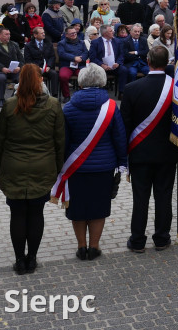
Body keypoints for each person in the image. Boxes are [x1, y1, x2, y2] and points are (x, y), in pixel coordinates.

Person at [0, 64, 64, 274]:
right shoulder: (53, 105)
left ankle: (19, 260)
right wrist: (56, 170)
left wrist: (1, 170)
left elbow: (0, 143)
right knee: (36, 213)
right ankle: (31, 258)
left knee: (17, 214)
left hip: (13, 166)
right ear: (40, 81)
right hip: (43, 166)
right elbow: (60, 142)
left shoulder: (9, 105)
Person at [58, 63, 127, 260]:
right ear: (103, 81)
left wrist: (59, 167)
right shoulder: (112, 107)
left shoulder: (69, 107)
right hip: (104, 166)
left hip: (75, 167)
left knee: (77, 208)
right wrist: (123, 162)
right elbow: (119, 138)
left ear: (80, 82)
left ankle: (81, 247)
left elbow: (63, 140)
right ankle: (94, 247)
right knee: (98, 208)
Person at [121, 46, 178, 253]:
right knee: (164, 196)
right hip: (168, 152)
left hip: (140, 152)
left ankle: (137, 241)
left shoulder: (132, 89)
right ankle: (162, 239)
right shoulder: (177, 89)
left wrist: (123, 155)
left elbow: (124, 125)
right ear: (167, 62)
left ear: (148, 61)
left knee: (140, 198)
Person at [0, 27, 24, 105]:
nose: (9, 36)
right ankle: (1, 99)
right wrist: (2, 68)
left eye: (9, 34)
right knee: (1, 78)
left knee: (23, 77)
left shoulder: (14, 44)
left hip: (14, 70)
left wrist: (19, 67)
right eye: (6, 34)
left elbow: (21, 59)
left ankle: (14, 97)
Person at [24, 26, 59, 97]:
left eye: (44, 33)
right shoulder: (28, 46)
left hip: (47, 68)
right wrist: (36, 68)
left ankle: (54, 95)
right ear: (35, 35)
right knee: (33, 75)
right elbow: (28, 60)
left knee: (54, 74)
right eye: (41, 33)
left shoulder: (48, 43)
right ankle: (36, 95)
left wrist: (49, 66)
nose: (43, 34)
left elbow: (52, 57)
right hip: (35, 69)